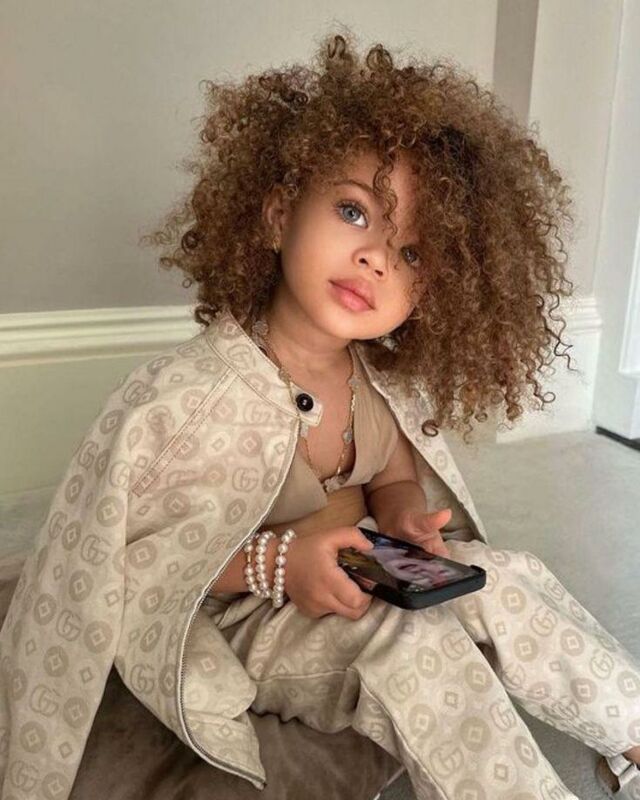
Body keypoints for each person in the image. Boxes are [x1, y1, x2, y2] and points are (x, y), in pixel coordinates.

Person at [1, 28, 639, 800]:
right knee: (414, 649)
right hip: (255, 614)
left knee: (505, 578)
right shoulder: (187, 400)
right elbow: (124, 565)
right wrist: (278, 565)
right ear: (277, 215)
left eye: (411, 253)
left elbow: (395, 476)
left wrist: (405, 522)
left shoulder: (377, 384)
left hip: (368, 573)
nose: (376, 258)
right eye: (353, 211)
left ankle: (631, 728)